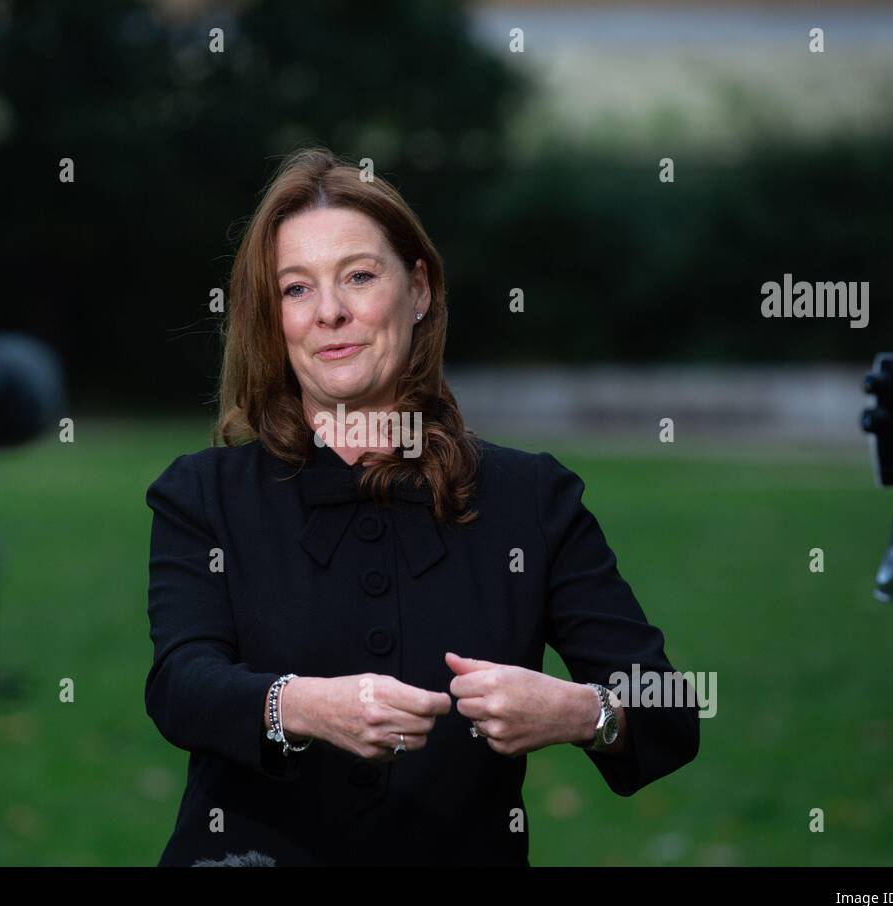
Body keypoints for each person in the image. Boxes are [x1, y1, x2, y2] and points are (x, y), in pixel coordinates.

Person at [144, 145, 699, 866]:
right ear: (270, 316)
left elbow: (669, 713)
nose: (331, 313)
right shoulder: (202, 495)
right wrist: (303, 706)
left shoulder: (531, 497)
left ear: (420, 290)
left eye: (359, 277)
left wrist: (579, 711)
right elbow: (181, 688)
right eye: (297, 289)